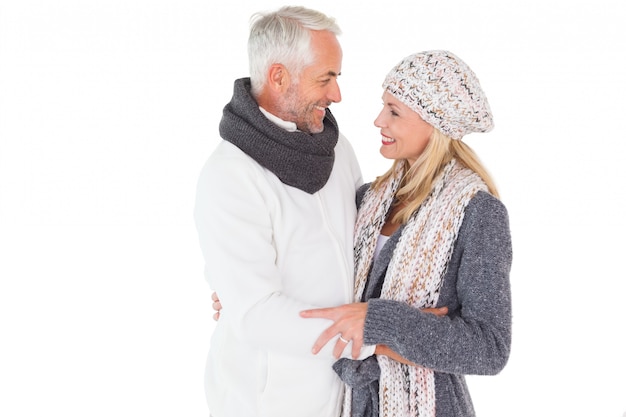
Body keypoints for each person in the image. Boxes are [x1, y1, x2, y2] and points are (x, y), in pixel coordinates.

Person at [300, 50, 513, 417]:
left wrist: (381, 327)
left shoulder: (478, 213)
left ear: (436, 123)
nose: (378, 120)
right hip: (353, 403)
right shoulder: (369, 200)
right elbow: (320, 267)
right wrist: (249, 289)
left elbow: (489, 347)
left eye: (394, 111)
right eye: (383, 106)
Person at [194, 6, 373, 417]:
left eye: (336, 78)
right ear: (278, 77)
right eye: (325, 78)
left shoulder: (337, 149)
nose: (337, 94)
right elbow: (257, 314)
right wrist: (377, 335)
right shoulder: (230, 175)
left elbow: (364, 239)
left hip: (343, 390)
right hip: (269, 401)